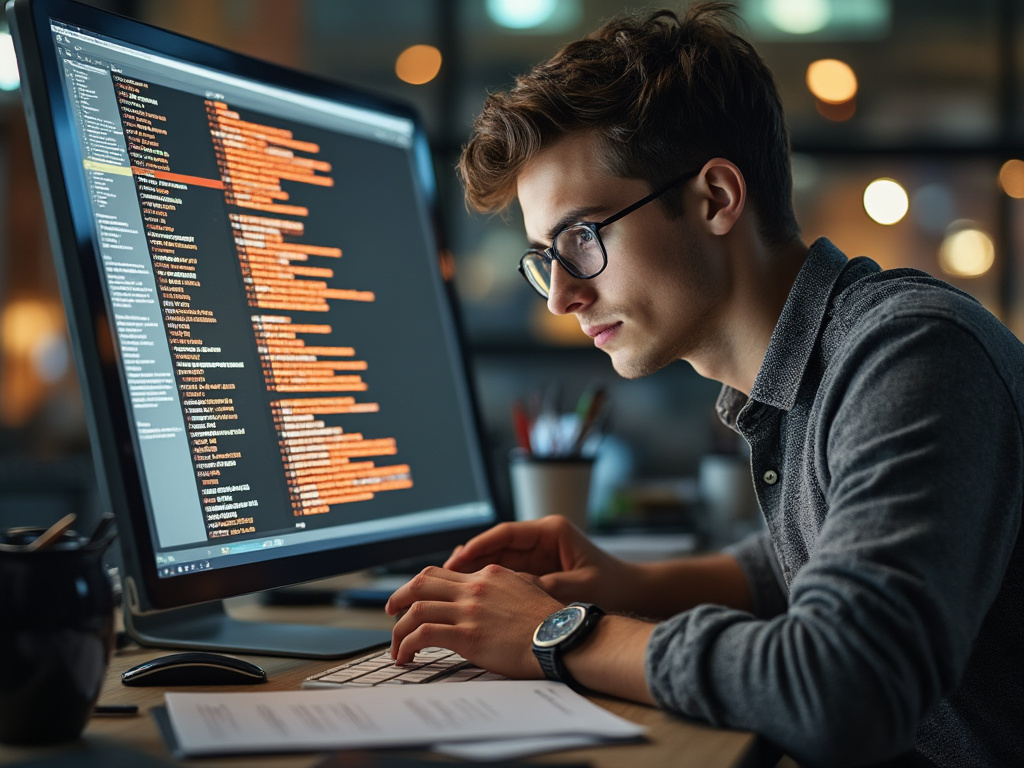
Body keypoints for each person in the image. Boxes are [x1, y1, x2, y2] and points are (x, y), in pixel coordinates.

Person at [384, 4, 1024, 766]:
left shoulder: (911, 353)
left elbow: (843, 688)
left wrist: (557, 634)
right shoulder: (814, 372)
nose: (560, 296)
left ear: (716, 198)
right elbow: (799, 560)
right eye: (543, 258)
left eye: (581, 237)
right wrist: (623, 583)